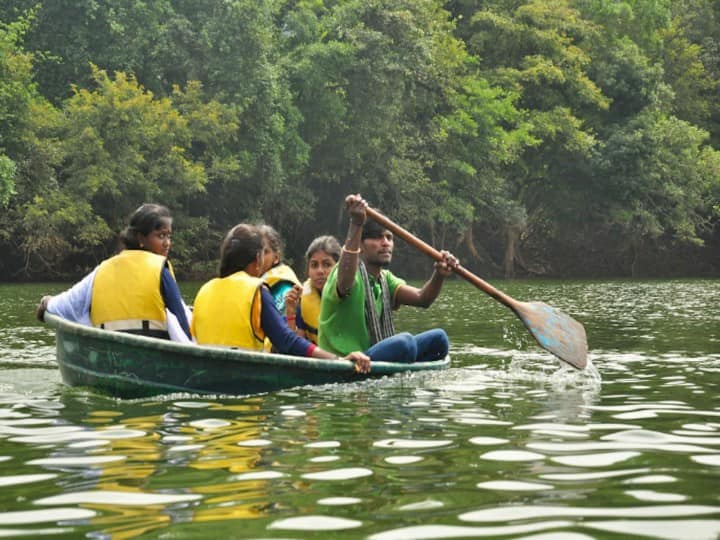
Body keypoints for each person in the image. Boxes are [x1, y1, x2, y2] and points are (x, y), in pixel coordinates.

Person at [191, 224, 370, 373]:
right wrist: (338, 360)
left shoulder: (204, 290)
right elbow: (286, 341)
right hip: (243, 382)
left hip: (206, 373)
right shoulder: (256, 290)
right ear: (257, 259)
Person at [318, 194, 458, 363]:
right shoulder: (343, 273)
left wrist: (439, 274)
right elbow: (345, 284)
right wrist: (356, 223)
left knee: (439, 340)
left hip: (373, 356)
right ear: (360, 245)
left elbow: (423, 299)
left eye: (389, 237)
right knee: (405, 343)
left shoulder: (385, 279)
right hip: (347, 360)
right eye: (377, 237)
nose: (385, 243)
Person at [36, 203, 191, 341]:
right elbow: (182, 322)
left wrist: (48, 303)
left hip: (107, 355)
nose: (167, 243)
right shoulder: (160, 269)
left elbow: (65, 305)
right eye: (161, 236)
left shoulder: (102, 269)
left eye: (169, 236)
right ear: (140, 238)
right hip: (154, 358)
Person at [285, 235, 341, 344]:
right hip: (318, 358)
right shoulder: (302, 298)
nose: (320, 271)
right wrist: (291, 312)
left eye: (327, 264)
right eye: (314, 265)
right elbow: (295, 347)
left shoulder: (350, 294)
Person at [258, 224, 301, 317]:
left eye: (265, 252)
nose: (259, 257)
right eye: (256, 251)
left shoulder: (284, 290)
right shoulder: (246, 282)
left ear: (276, 257)